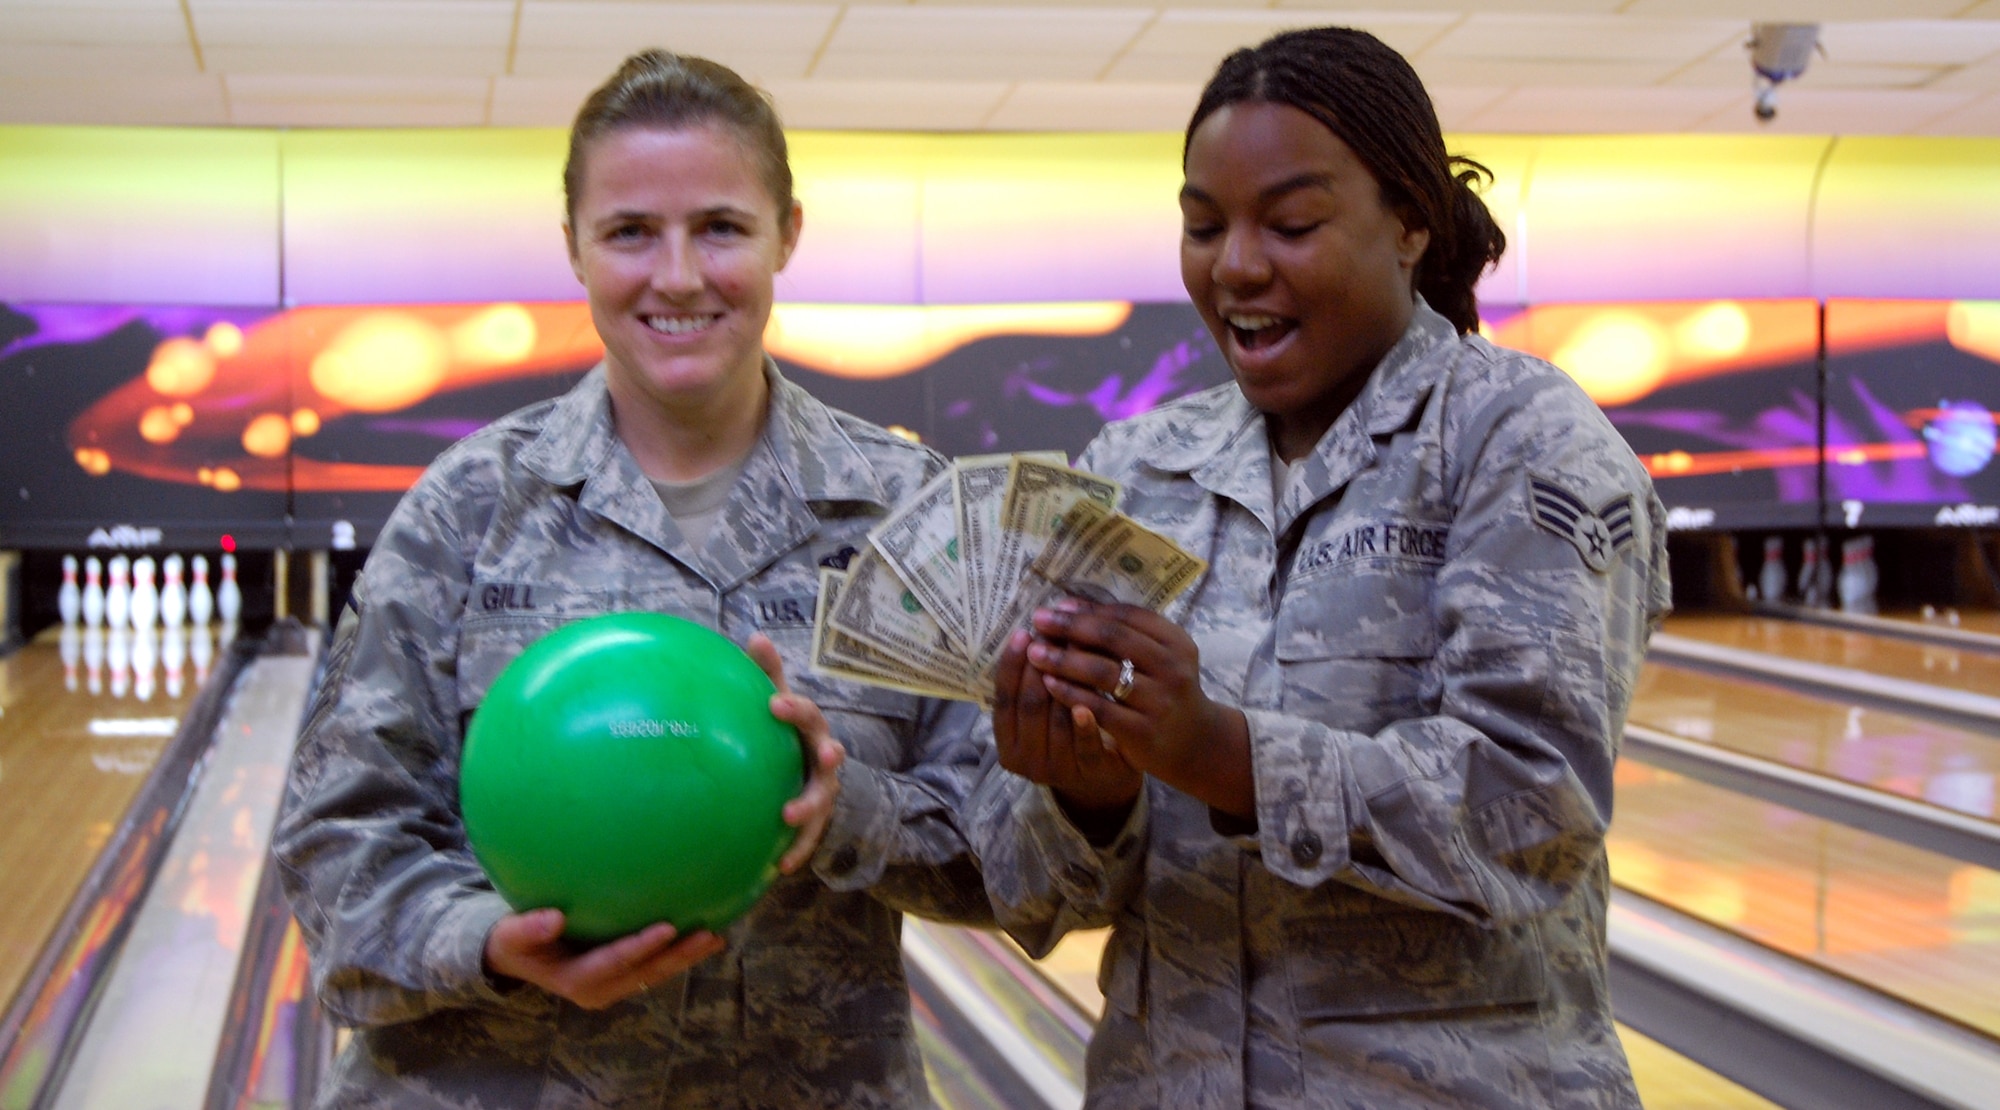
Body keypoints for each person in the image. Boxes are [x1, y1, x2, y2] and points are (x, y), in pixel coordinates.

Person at [969, 26, 1670, 1109]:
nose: (1235, 264)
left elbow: (1533, 816)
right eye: (1202, 226)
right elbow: (1033, 895)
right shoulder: (1134, 467)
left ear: (1407, 223)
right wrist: (1083, 793)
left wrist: (1219, 752)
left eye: (1290, 223)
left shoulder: (1519, 442)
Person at [272, 49, 989, 1108]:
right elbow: (333, 845)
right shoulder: (467, 509)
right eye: (629, 233)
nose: (679, 274)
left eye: (721, 227)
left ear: (787, 231)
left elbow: (1023, 858)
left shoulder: (908, 513)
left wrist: (852, 813)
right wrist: (484, 939)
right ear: (573, 246)